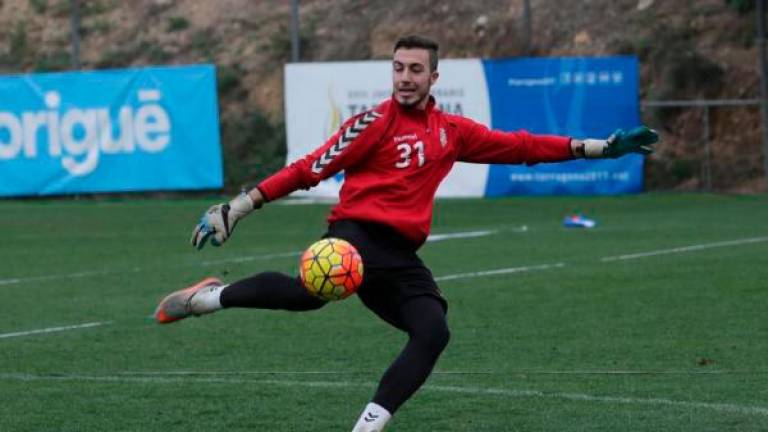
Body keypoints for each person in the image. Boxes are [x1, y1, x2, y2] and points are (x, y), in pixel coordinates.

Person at [154, 35, 658, 431]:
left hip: (399, 256)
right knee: (311, 296)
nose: (405, 77)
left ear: (434, 76)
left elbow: (521, 146)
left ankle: (367, 424)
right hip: (353, 236)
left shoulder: (451, 131)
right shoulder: (372, 123)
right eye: (398, 68)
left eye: (415, 69)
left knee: (434, 330)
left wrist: (600, 147)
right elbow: (312, 167)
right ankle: (209, 299)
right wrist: (240, 206)